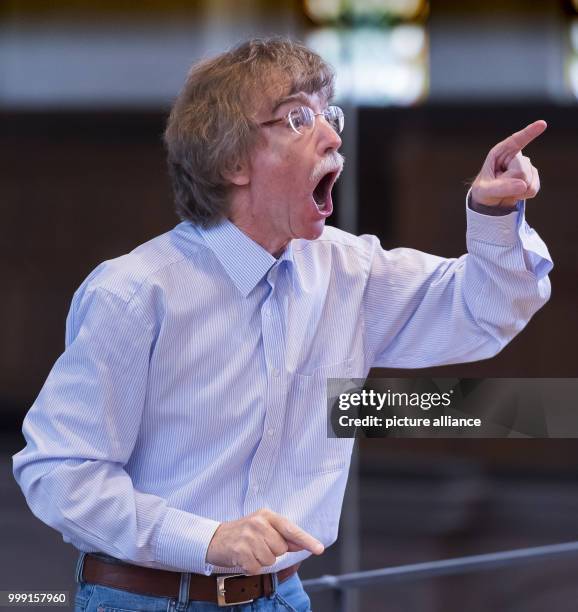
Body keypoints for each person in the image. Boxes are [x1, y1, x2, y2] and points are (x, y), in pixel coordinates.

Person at [12, 37, 552, 612]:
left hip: (283, 595)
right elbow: (60, 470)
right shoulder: (135, 292)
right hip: (150, 599)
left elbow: (482, 310)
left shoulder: (348, 271)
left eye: (329, 113)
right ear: (231, 162)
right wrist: (208, 539)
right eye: (299, 117)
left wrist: (493, 214)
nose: (334, 136)